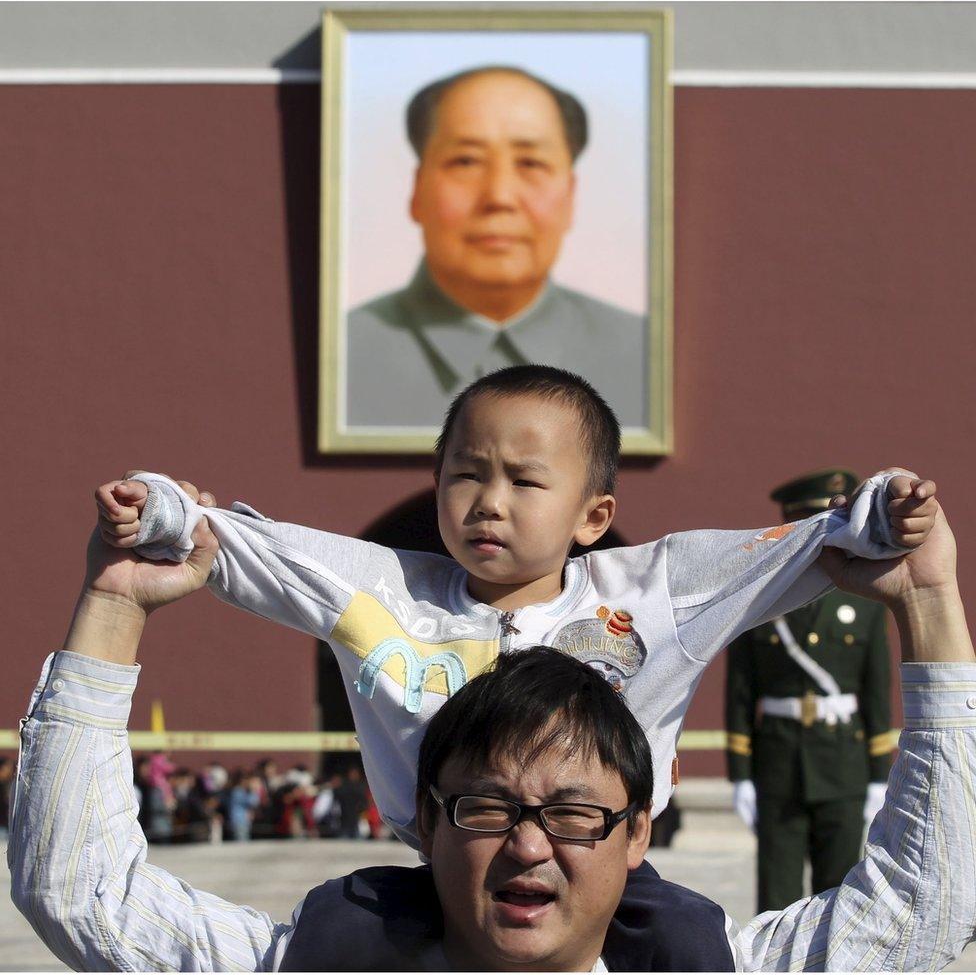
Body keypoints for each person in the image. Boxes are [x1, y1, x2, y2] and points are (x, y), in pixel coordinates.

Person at [91, 366, 934, 947]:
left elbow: (795, 548)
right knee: (337, 931)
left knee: (690, 940)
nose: (488, 502)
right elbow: (244, 545)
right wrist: (159, 512)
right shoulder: (380, 591)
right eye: (466, 474)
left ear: (593, 515)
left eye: (525, 483)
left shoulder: (653, 592)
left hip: (602, 882)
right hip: (437, 877)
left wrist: (878, 519)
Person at [8, 497, 976, 970]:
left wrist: (929, 609)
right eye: (486, 804)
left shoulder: (700, 965)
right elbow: (80, 891)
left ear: (638, 833)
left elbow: (928, 913)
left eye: (571, 813)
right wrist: (113, 605)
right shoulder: (328, 961)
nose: (526, 842)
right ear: (422, 824)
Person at [346, 67, 648, 429]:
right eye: (466, 161)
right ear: (416, 189)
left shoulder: (644, 354)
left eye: (531, 163)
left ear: (570, 197)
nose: (500, 196)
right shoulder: (343, 353)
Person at [726, 468, 895, 912]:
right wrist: (741, 775)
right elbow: (741, 694)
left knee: (838, 895)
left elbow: (876, 693)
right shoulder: (761, 602)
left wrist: (880, 775)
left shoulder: (864, 602)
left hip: (843, 765)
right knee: (777, 897)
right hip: (778, 764)